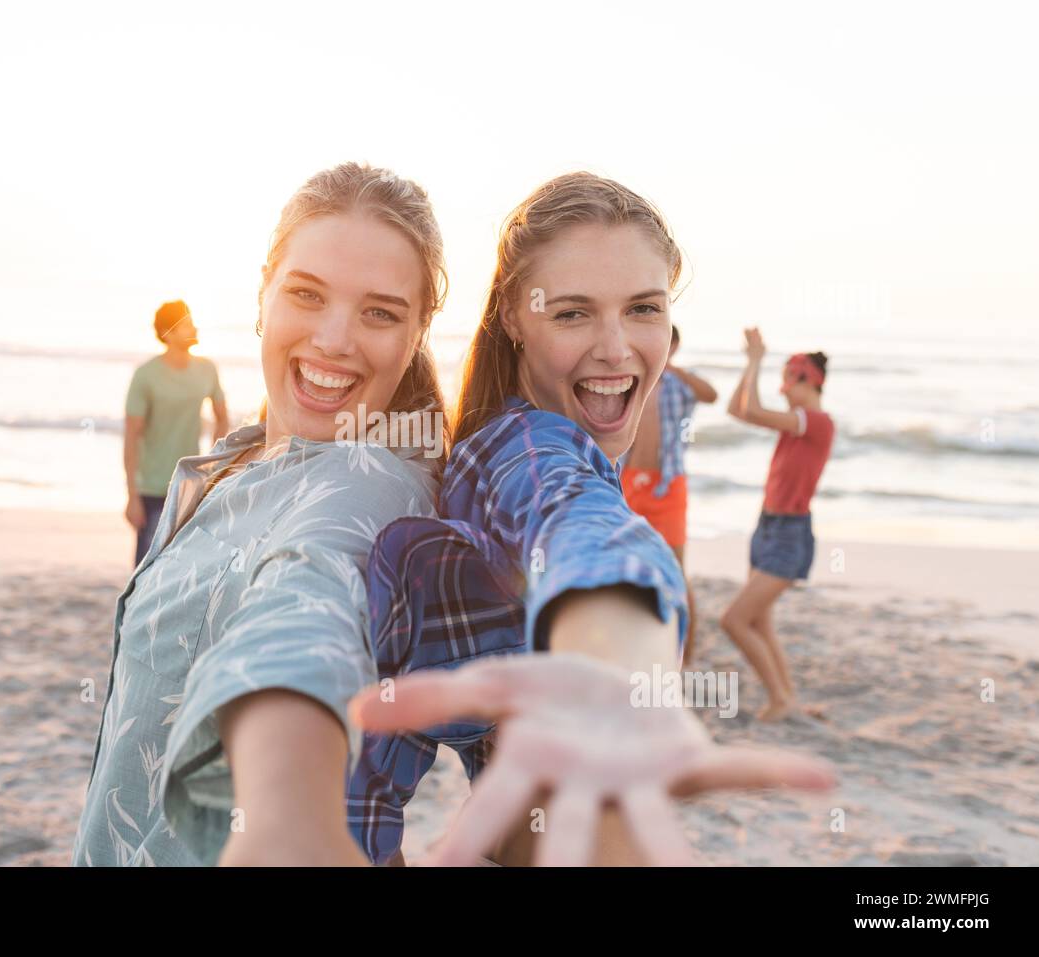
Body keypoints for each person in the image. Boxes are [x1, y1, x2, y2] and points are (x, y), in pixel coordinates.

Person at [347, 174, 832, 866]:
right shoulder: (525, 451)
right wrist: (619, 664)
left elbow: (365, 791)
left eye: (642, 308)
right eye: (573, 313)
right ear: (514, 315)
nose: (615, 347)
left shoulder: (478, 455)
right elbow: (578, 522)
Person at [73, 162, 450, 866]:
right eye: (307, 294)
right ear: (263, 295)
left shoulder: (368, 489)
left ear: (418, 332)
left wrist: (281, 807)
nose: (335, 339)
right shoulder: (233, 459)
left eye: (380, 312)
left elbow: (306, 608)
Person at [720, 331, 833, 721]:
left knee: (734, 620)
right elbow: (737, 409)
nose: (782, 390)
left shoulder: (816, 422)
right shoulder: (796, 423)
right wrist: (750, 363)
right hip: (767, 526)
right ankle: (788, 698)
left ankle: (780, 699)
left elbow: (751, 411)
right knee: (759, 619)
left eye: (788, 380)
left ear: (808, 381)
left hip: (789, 534)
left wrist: (755, 359)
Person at [618, 324, 717, 663]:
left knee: (675, 570)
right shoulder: (630, 381)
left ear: (672, 345)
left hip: (668, 484)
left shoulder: (678, 382)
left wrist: (670, 368)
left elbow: (711, 395)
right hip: (629, 482)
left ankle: (684, 657)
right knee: (628, 567)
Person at [124, 300, 229, 566]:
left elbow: (222, 418)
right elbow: (131, 437)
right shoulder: (146, 375)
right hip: (152, 487)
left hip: (191, 484)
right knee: (146, 568)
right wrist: (132, 496)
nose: (194, 328)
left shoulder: (207, 369)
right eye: (186, 325)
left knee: (183, 566)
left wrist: (213, 465)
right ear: (168, 334)